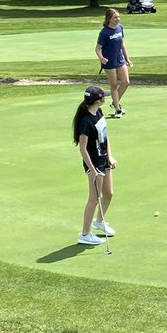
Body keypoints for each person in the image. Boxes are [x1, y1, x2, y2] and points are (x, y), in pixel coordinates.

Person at [74, 85, 116, 245]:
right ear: (98, 100)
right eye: (103, 96)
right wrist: (93, 170)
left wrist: (110, 156)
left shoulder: (98, 112)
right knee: (94, 199)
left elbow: (105, 135)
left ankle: (99, 222)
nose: (105, 97)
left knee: (109, 194)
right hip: (94, 163)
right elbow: (83, 148)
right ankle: (85, 234)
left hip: (103, 159)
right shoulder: (86, 121)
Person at [95, 7, 133, 116]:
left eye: (118, 17)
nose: (118, 19)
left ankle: (114, 102)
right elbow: (98, 48)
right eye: (115, 17)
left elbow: (122, 44)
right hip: (109, 62)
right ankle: (117, 109)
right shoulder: (104, 32)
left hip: (119, 60)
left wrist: (127, 58)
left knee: (126, 82)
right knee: (114, 85)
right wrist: (101, 58)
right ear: (109, 18)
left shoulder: (120, 28)